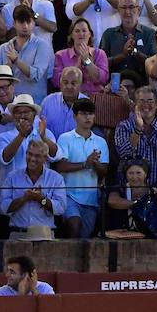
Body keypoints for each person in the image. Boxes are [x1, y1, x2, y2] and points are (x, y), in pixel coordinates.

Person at [52, 97, 109, 237]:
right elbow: (60, 166)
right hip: (68, 195)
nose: (87, 117)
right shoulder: (65, 138)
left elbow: (104, 171)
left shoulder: (101, 141)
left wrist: (95, 163)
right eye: (83, 113)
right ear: (75, 116)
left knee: (85, 238)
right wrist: (86, 163)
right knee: (74, 225)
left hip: (91, 199)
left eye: (90, 113)